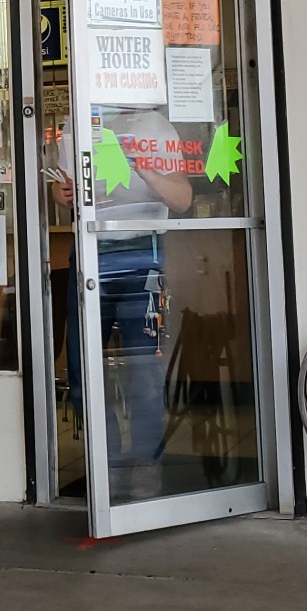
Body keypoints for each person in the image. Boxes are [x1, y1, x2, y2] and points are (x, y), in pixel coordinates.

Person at [52, 103, 193, 494]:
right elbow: (63, 185)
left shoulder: (153, 124)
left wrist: (146, 170)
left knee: (143, 369)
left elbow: (182, 198)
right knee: (82, 368)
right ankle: (106, 461)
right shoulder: (79, 120)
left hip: (142, 253)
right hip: (89, 250)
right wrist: (61, 193)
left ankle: (147, 461)